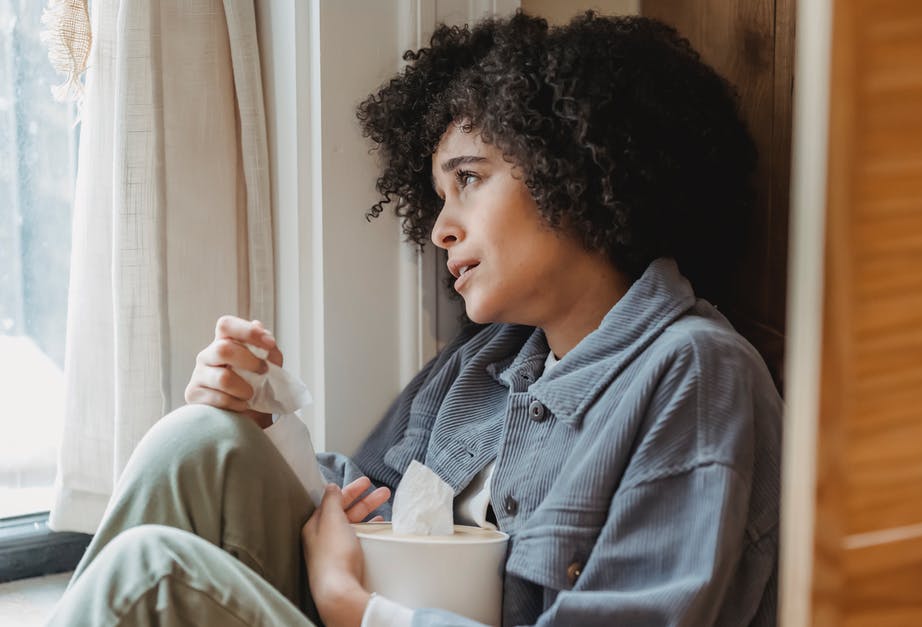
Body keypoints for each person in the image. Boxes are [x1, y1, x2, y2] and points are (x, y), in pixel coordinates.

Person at [49, 11, 781, 627]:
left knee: (149, 574)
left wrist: (361, 610)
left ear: (579, 167)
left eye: (468, 179)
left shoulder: (698, 373)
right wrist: (254, 413)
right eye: (436, 196)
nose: (440, 229)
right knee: (197, 438)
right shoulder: (487, 363)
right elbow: (355, 496)